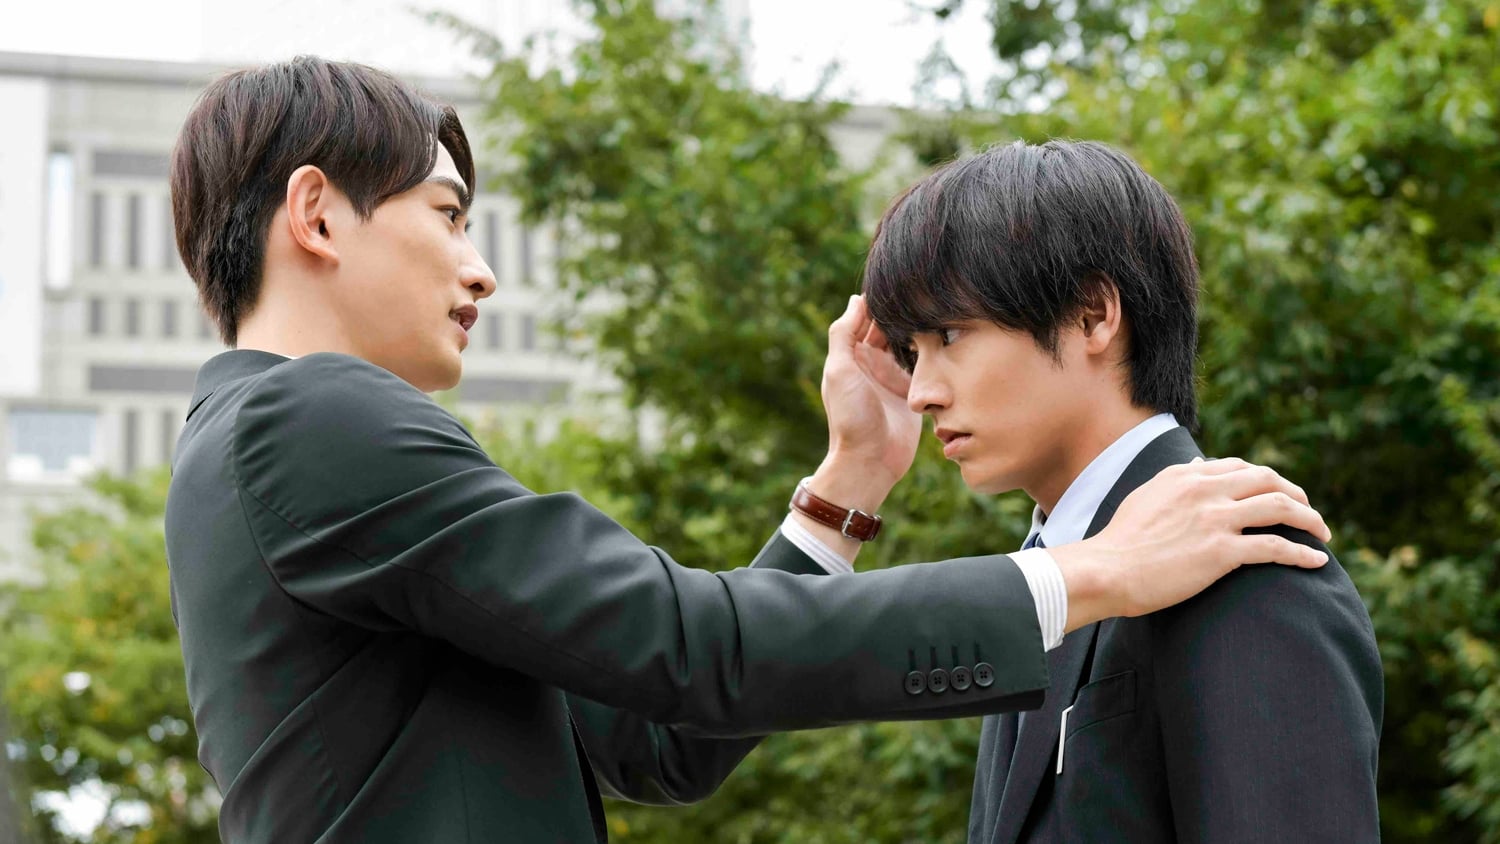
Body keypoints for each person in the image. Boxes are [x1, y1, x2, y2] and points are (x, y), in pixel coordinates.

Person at [163, 57, 1333, 842]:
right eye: (449, 214)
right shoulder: (312, 420)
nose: (480, 270)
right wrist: (1095, 572)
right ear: (316, 214)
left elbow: (655, 738)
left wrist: (848, 488)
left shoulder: (263, 452)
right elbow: (689, 645)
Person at [858, 140, 1383, 843]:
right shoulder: (1046, 574)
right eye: (911, 352)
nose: (921, 392)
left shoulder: (1247, 565)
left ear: (1092, 315)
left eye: (950, 334)